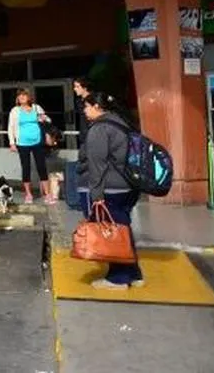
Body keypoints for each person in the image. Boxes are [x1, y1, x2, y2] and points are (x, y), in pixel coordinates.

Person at [76, 92, 143, 290]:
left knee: (112, 232)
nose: (85, 112)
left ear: (97, 106)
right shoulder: (123, 123)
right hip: (128, 185)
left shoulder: (100, 129)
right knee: (122, 228)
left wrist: (96, 195)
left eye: (87, 107)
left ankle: (119, 278)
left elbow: (97, 164)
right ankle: (133, 272)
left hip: (110, 187)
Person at [7, 88, 56, 204]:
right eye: (20, 96)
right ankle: (28, 194)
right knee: (26, 167)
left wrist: (45, 119)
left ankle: (47, 194)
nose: (22, 97)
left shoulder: (36, 108)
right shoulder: (15, 110)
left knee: (41, 167)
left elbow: (48, 120)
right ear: (17, 98)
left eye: (24, 95)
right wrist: (12, 143)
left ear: (29, 97)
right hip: (22, 143)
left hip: (37, 141)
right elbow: (11, 127)